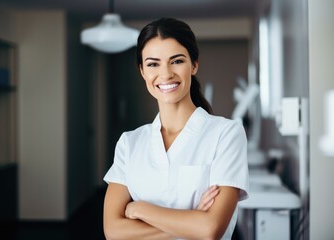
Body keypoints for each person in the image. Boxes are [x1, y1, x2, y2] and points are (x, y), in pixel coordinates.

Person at [103, 17, 249, 240]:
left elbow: (210, 229)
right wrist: (191, 219)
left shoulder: (226, 134)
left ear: (194, 64)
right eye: (153, 64)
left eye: (177, 61)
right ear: (142, 71)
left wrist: (139, 209)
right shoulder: (129, 143)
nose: (166, 73)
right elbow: (113, 231)